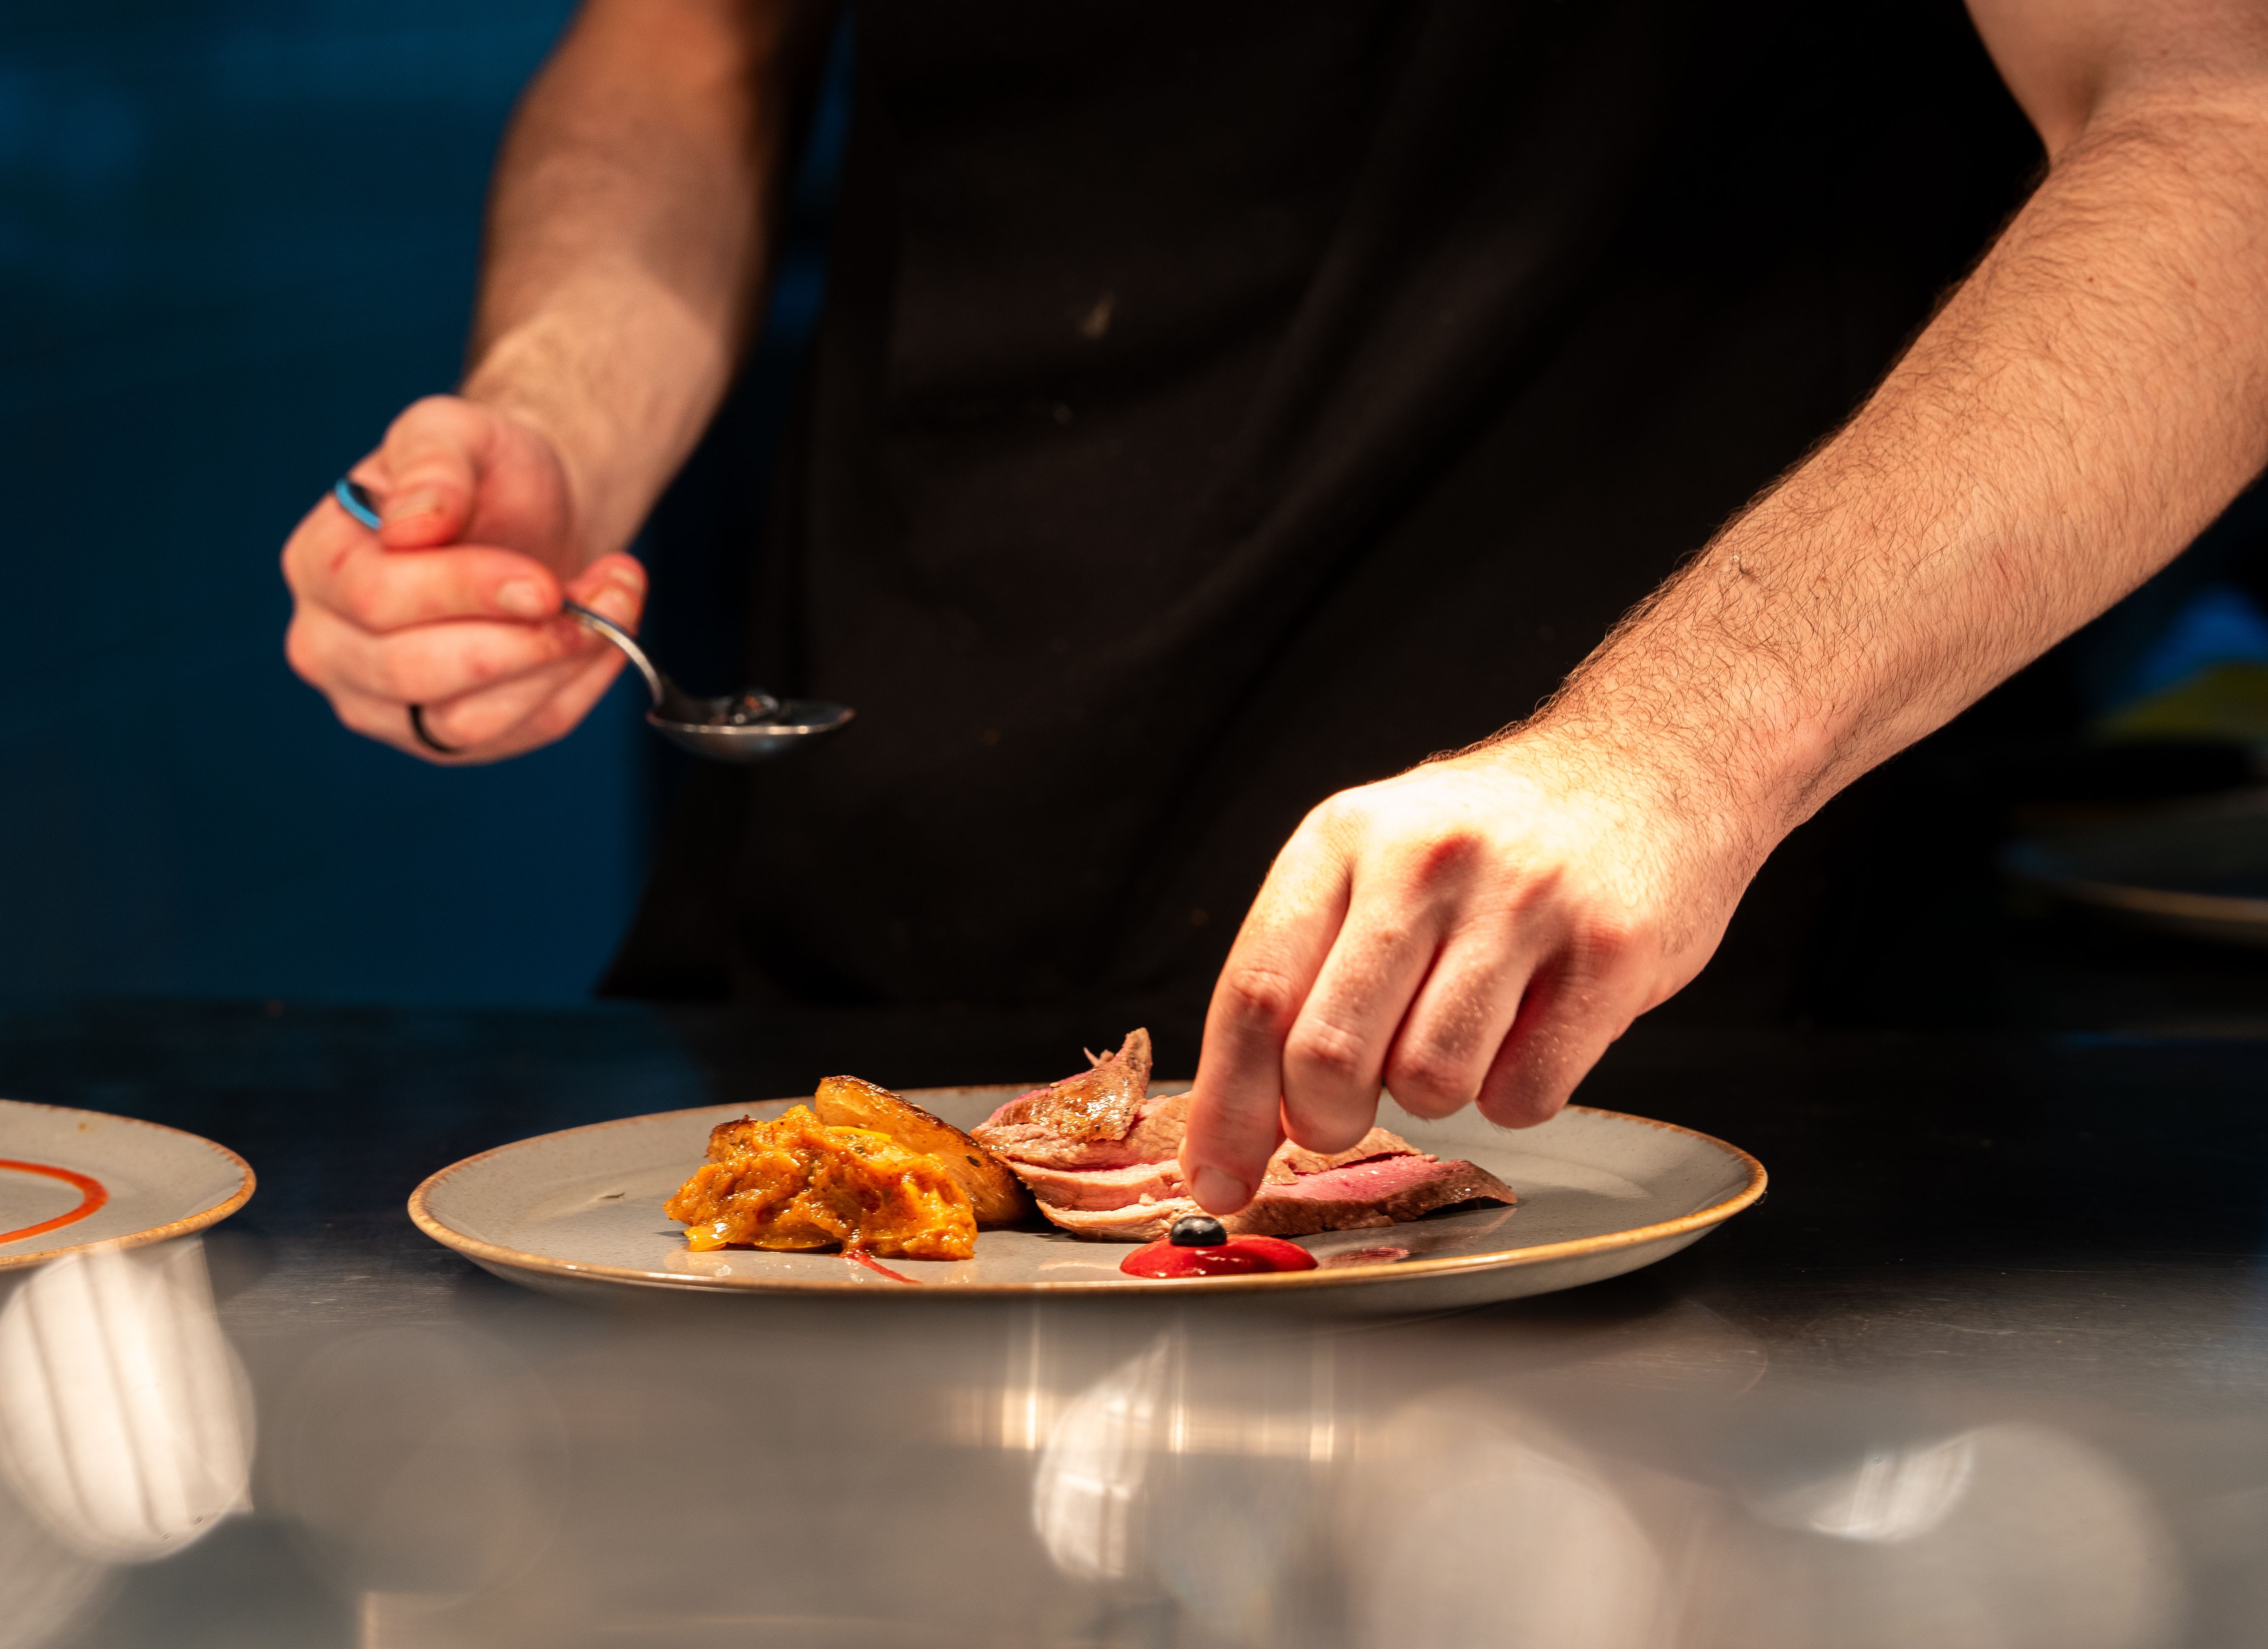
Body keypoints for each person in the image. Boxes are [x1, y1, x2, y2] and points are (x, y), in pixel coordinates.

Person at [282, 0, 2268, 1216]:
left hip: (1626, 1055)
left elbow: (2223, 124)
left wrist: (1677, 746)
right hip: (858, 969)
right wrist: (551, 411)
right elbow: (684, 41)